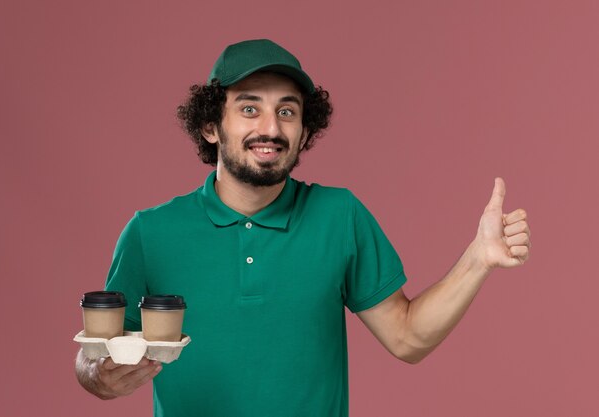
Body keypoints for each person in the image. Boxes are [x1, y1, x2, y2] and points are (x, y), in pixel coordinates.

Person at [75, 39, 531, 416]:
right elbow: (96, 354)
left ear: (304, 130)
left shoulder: (339, 215)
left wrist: (477, 259)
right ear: (211, 125)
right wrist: (97, 375)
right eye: (250, 109)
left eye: (287, 111)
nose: (271, 128)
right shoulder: (152, 232)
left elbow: (408, 337)